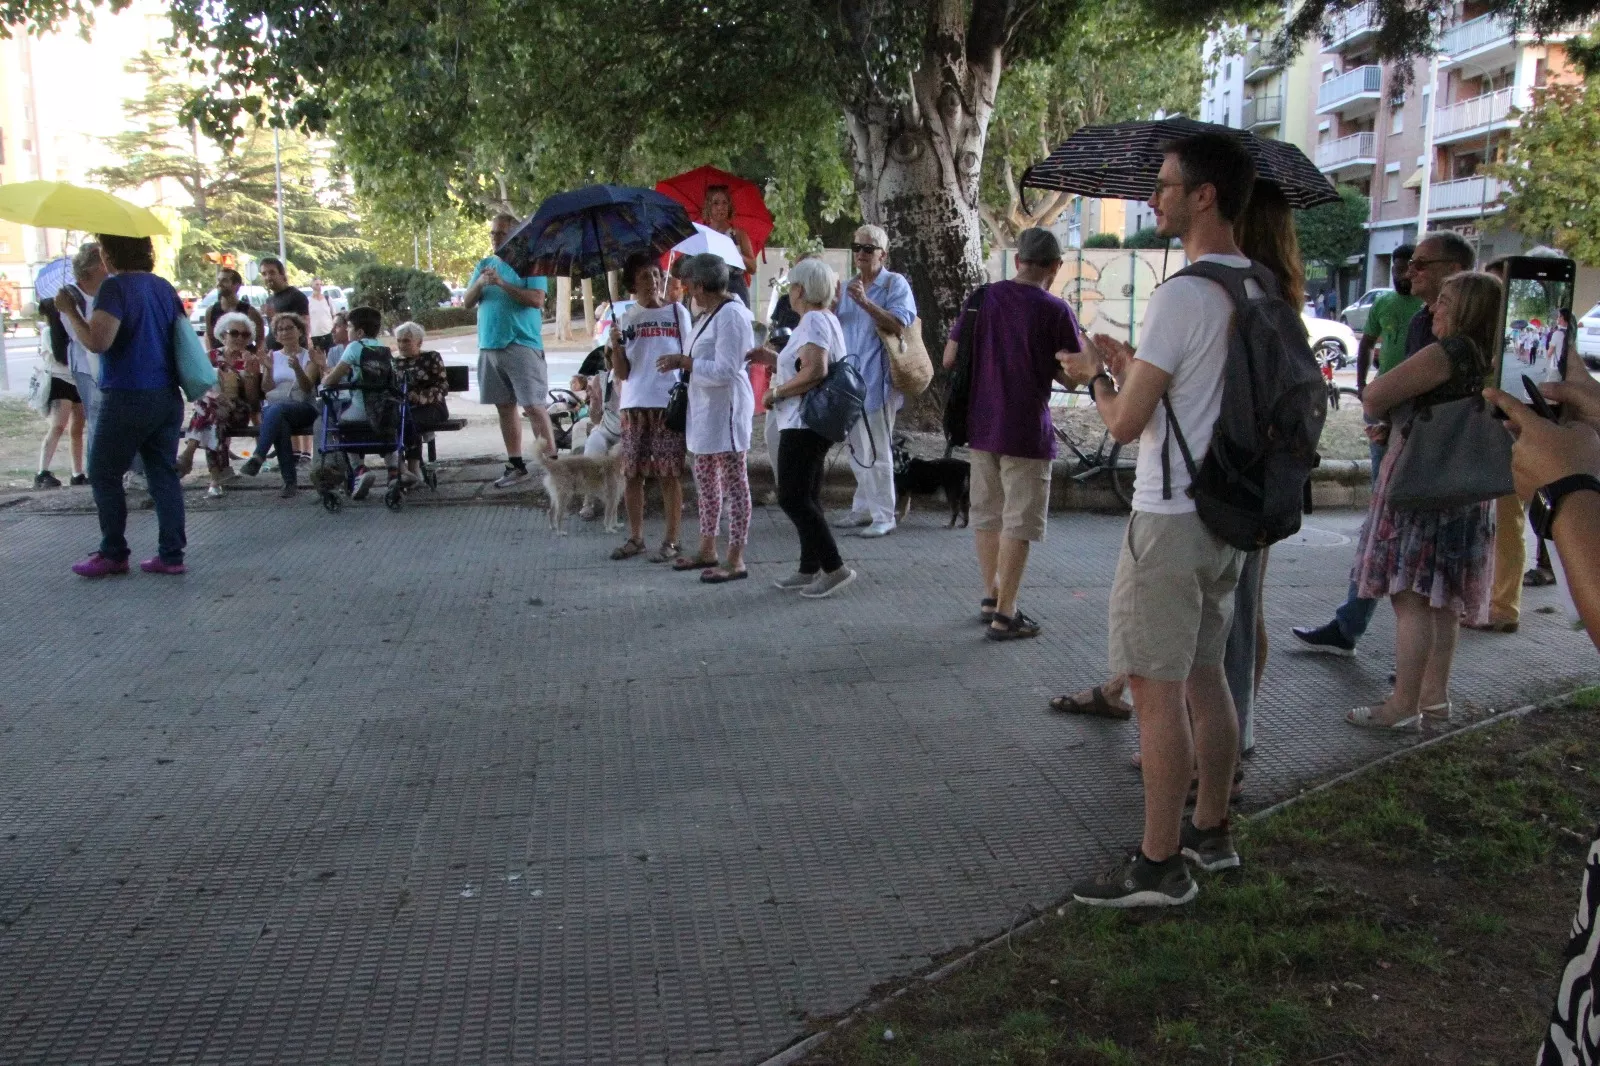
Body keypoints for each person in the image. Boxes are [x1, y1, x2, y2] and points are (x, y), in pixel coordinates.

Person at [1061, 133, 1258, 907]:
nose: (1156, 197)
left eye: (1168, 185)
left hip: (1170, 518)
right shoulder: (1256, 287)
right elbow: (1197, 393)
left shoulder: (1183, 294)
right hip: (1226, 517)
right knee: (1208, 679)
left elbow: (1124, 425)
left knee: (1155, 691)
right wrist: (1129, 363)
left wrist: (1095, 378)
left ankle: (1158, 864)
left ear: (1205, 195)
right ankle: (1211, 832)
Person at [1292, 230, 1475, 655]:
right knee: (1389, 548)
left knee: (1417, 585)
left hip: (1432, 467)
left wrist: (1384, 405)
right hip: (1404, 443)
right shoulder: (1418, 320)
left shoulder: (1453, 339)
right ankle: (1354, 629)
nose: (1408, 270)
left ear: (1453, 272)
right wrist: (1391, 421)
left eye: (1420, 264)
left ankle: (1415, 689)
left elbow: (1390, 392)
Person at [1343, 271, 1502, 731]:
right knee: (1442, 600)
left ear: (1468, 310)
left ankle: (1403, 703)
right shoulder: (1486, 357)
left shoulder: (1449, 351)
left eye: (1446, 302)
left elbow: (1374, 396)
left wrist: (1389, 411)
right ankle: (1434, 698)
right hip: (1464, 491)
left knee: (1409, 596)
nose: (1433, 308)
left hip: (1421, 489)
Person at [940, 226, 1082, 640]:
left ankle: (990, 595)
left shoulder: (981, 299)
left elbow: (950, 359)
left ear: (1018, 261)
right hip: (1026, 431)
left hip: (980, 427)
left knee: (986, 514)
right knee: (1019, 521)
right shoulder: (1056, 311)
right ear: (1054, 267)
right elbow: (1073, 377)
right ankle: (1007, 614)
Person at [53, 233, 189, 576]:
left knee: (103, 472)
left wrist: (70, 312)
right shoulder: (162, 287)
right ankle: (172, 554)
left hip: (127, 392)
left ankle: (113, 552)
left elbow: (98, 342)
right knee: (162, 472)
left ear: (110, 255)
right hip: (166, 393)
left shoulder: (114, 289)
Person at [757, 256, 857, 597]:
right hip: (812, 420)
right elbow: (808, 364)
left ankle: (834, 566)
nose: (790, 293)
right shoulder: (823, 319)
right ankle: (809, 566)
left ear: (801, 288)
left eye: (792, 287)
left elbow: (815, 371)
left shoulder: (813, 319)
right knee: (807, 495)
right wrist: (770, 360)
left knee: (793, 496)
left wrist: (776, 392)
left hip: (803, 420)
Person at [659, 253, 755, 583]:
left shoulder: (732, 316)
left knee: (734, 485)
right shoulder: (708, 314)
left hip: (726, 411)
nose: (685, 291)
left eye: (688, 285)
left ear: (700, 285)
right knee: (706, 483)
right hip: (704, 413)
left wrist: (686, 364)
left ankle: (735, 558)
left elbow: (729, 369)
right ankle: (707, 547)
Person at [833, 224, 917, 538]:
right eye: (856, 248)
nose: (861, 254)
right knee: (856, 448)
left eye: (868, 249)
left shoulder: (894, 284)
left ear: (882, 253)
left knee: (878, 449)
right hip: (850, 380)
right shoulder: (849, 285)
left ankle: (885, 515)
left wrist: (866, 302)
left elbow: (899, 322)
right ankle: (862, 507)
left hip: (879, 380)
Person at [607, 252, 688, 562]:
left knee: (670, 473)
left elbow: (689, 356)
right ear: (632, 283)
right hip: (635, 404)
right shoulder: (625, 319)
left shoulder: (678, 313)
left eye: (656, 274)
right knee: (633, 474)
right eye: (645, 276)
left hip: (668, 404)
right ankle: (636, 537)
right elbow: (623, 373)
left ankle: (671, 540)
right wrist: (615, 346)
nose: (653, 281)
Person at [467, 212, 555, 486]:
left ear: (516, 235)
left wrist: (503, 284)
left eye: (501, 233)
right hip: (489, 346)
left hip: (521, 344)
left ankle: (553, 467)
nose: (495, 238)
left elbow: (537, 299)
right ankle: (515, 464)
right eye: (492, 233)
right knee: (505, 407)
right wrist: (481, 283)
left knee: (533, 407)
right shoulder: (484, 265)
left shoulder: (531, 264)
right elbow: (467, 302)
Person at [321, 305, 411, 500]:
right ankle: (393, 472)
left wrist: (325, 379)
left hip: (360, 411)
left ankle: (360, 470)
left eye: (350, 327)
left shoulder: (355, 347)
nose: (347, 330)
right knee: (387, 432)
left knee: (341, 426)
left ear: (359, 332)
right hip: (385, 411)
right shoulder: (384, 349)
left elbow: (333, 379)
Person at [177, 310, 261, 497]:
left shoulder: (250, 359)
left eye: (245, 334)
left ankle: (190, 454)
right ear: (223, 335)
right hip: (215, 411)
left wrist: (249, 375)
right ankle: (217, 477)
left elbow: (252, 401)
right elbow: (198, 386)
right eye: (234, 333)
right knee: (212, 416)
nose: (240, 338)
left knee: (207, 411)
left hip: (238, 411)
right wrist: (217, 397)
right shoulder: (210, 357)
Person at [240, 311, 319, 497]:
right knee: (279, 421)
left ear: (300, 331)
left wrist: (298, 369)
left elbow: (307, 388)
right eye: (280, 330)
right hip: (279, 410)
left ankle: (259, 455)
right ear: (276, 336)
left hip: (303, 408)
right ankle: (290, 482)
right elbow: (267, 389)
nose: (285, 332)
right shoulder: (272, 356)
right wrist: (267, 369)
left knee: (275, 411)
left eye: (289, 328)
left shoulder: (309, 356)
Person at [1355, 245, 1422, 397]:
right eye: (1399, 270)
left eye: (1408, 270)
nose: (1404, 276)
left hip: (1417, 390)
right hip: (1385, 386)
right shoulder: (1382, 302)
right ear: (1392, 270)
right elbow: (1367, 344)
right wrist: (1361, 384)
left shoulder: (1428, 301)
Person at [392, 321, 451, 485]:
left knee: (409, 420)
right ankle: (400, 468)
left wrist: (421, 397)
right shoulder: (395, 362)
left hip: (432, 406)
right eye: (399, 341)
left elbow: (443, 386)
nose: (401, 345)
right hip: (405, 407)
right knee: (393, 420)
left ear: (419, 342)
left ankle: (413, 468)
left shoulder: (431, 357)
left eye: (406, 341)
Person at [34, 302, 86, 489]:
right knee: (57, 426)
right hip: (58, 381)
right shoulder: (49, 332)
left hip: (77, 380)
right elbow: (61, 357)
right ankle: (42, 472)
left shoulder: (72, 329)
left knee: (77, 430)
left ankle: (77, 473)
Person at [63, 242, 107, 447]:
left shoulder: (108, 290)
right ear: (98, 267)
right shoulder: (70, 296)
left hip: (107, 364)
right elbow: (79, 336)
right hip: (86, 367)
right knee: (97, 420)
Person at [702, 185, 757, 308]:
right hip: (710, 290)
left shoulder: (738, 234)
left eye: (724, 203)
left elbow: (753, 268)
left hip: (735, 289)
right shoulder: (703, 234)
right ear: (708, 206)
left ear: (729, 206)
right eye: (715, 203)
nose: (720, 207)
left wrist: (733, 253)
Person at [203, 267, 264, 352]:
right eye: (218, 280)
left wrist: (254, 357)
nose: (219, 284)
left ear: (237, 285)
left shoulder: (250, 311)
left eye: (224, 280)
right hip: (221, 362)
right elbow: (209, 337)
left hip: (244, 361)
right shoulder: (211, 311)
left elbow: (260, 339)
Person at [258, 257, 309, 351]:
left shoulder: (296, 296)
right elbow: (272, 330)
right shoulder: (269, 300)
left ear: (282, 274)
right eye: (264, 274)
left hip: (292, 356)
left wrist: (275, 315)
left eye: (272, 272)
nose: (268, 277)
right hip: (273, 355)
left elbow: (305, 327)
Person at [307, 278, 336, 351]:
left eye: (320, 284)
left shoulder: (328, 299)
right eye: (317, 284)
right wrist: (308, 336)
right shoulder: (308, 301)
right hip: (315, 334)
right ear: (312, 286)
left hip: (328, 333)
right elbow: (306, 319)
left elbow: (334, 315)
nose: (319, 286)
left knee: (331, 356)